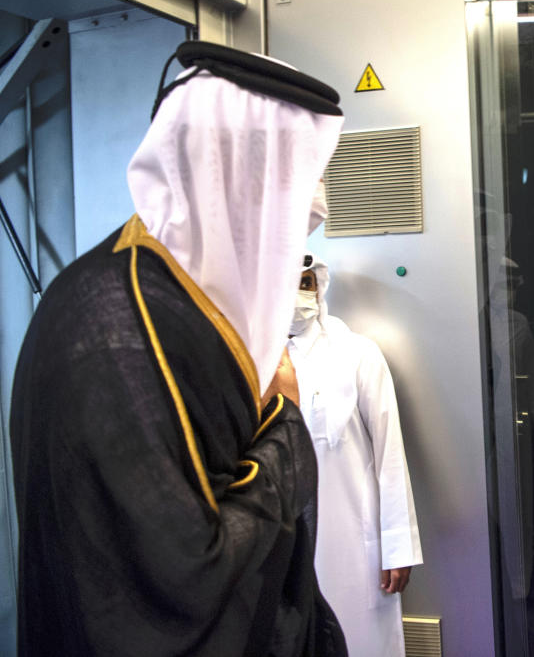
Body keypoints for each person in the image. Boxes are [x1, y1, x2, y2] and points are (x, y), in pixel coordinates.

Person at [10, 42, 348, 656]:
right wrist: (284, 427)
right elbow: (180, 582)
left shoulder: (177, 300)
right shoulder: (114, 324)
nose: (317, 209)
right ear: (240, 178)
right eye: (298, 185)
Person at [287, 255, 423, 657]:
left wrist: (397, 547)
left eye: (306, 283)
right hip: (277, 539)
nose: (298, 294)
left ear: (319, 287)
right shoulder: (249, 359)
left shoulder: (357, 354)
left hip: (351, 543)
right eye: (287, 281)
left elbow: (390, 454)